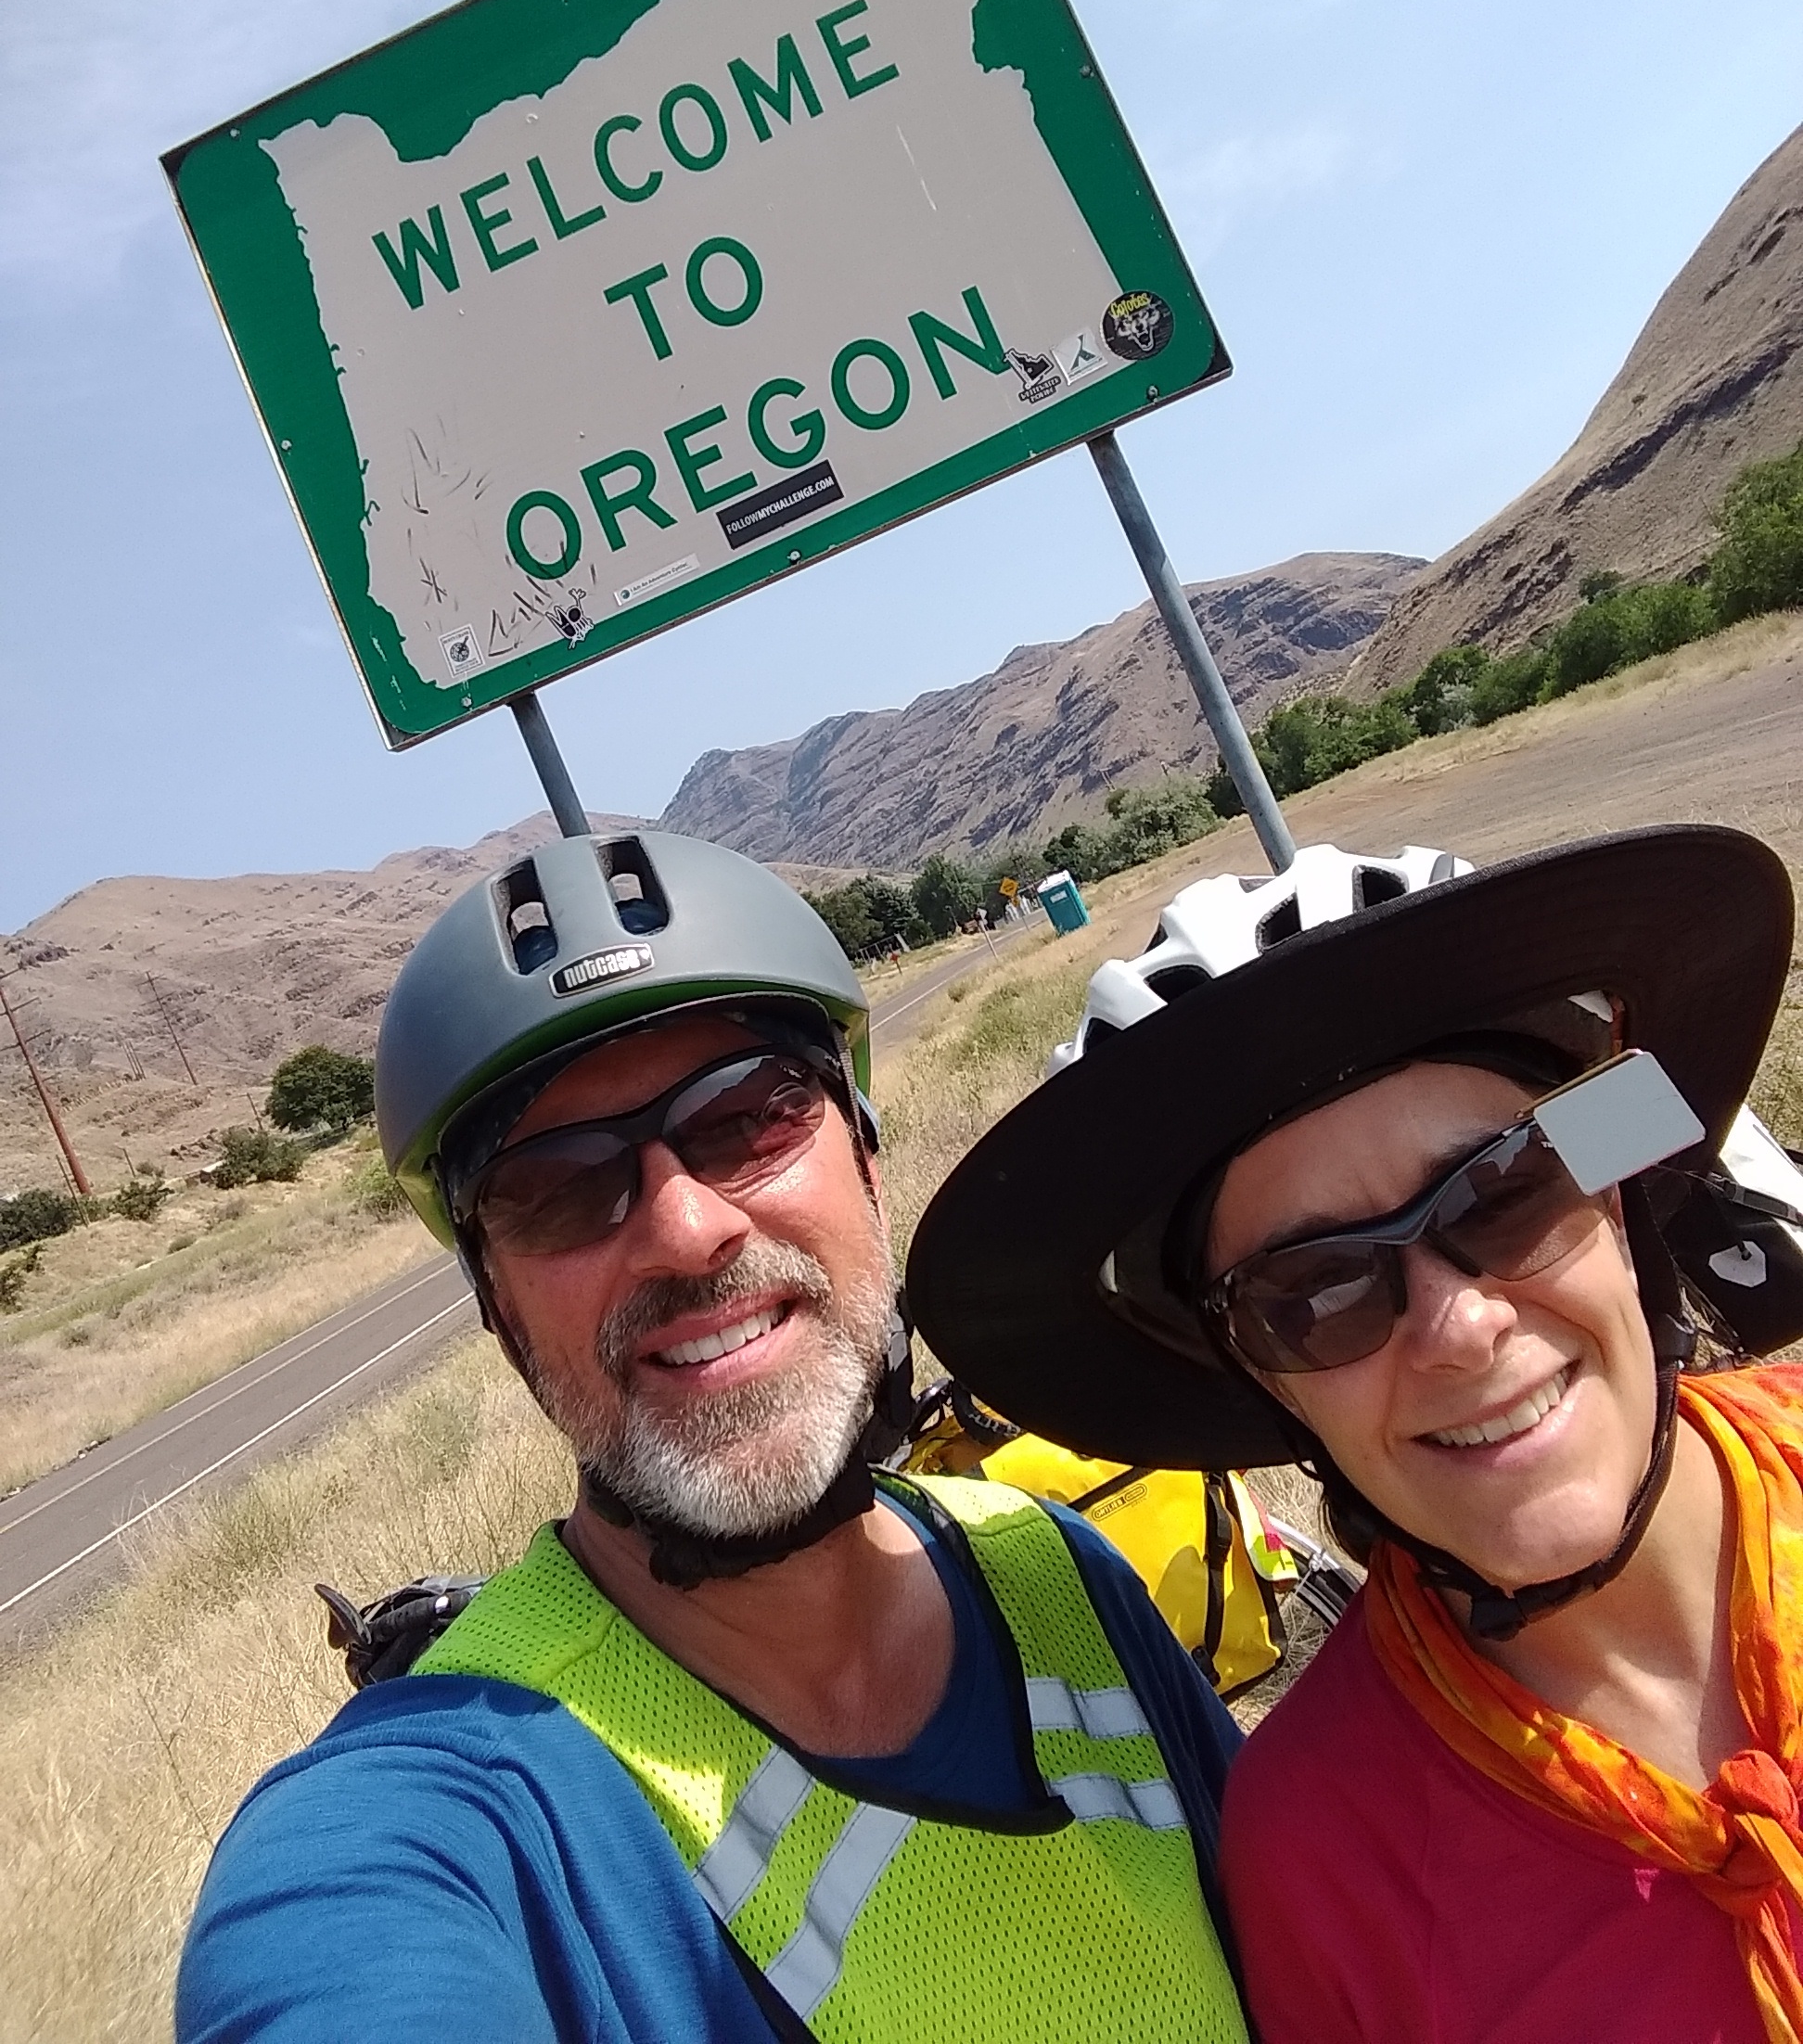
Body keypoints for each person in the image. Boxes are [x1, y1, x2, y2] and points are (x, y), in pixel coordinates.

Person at [176, 827, 1252, 2044]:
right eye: (555, 1189)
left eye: (748, 1116)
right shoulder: (437, 1824)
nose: (687, 1231)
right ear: (499, 1310)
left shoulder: (1054, 1571)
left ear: (867, 1160)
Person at [907, 824, 1803, 2044]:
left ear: (1621, 1190)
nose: (1460, 1327)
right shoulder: (1322, 1859)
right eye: (1316, 1295)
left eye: (1509, 1193)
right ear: (1267, 1388)